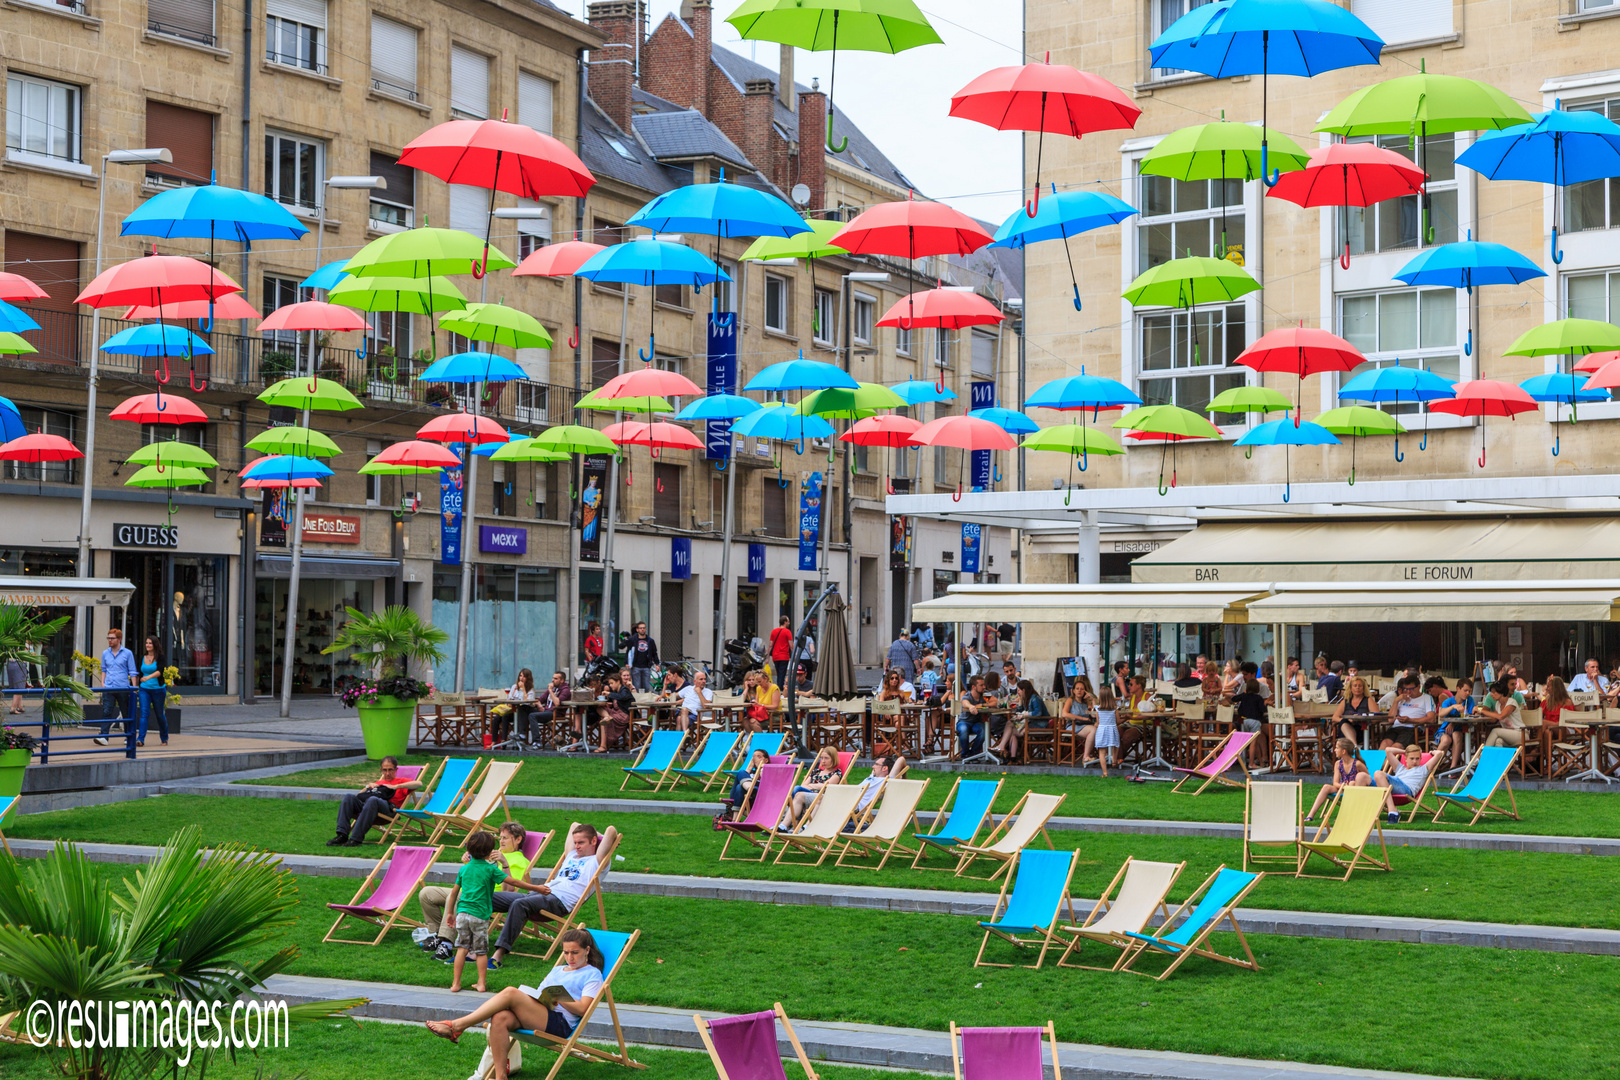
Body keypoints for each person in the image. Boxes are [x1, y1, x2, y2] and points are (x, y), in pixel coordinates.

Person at [426, 927, 607, 1074]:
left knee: (511, 993)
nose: (570, 957)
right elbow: (540, 991)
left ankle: (458, 1026)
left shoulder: (592, 974)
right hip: (543, 1012)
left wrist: (559, 999)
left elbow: (584, 1009)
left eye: (575, 952)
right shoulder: (558, 970)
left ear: (587, 950)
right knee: (501, 1017)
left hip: (560, 1023)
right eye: (566, 952)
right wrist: (542, 997)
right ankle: (500, 1076)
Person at [488, 822, 619, 970]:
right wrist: (591, 836)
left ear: (594, 841)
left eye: (581, 842)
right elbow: (574, 825)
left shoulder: (598, 861)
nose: (576, 846)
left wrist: (602, 838)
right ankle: (473, 945)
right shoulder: (571, 855)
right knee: (488, 896)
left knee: (519, 904)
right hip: (539, 894)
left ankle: (498, 954)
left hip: (558, 902)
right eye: (575, 842)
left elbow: (611, 830)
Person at [418, 821, 538, 960]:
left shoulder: (519, 861)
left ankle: (447, 943)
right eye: (500, 837)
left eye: (505, 837)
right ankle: (436, 935)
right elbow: (476, 872)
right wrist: (469, 862)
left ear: (518, 839)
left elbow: (510, 891)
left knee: (458, 895)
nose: (501, 840)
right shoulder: (491, 853)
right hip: (468, 890)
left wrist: (504, 864)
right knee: (427, 893)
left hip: (487, 896)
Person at [443, 830, 507, 993]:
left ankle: (456, 983)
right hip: (479, 916)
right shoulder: (491, 869)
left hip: (462, 914)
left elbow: (454, 893)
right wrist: (536, 888)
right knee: (481, 951)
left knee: (462, 949)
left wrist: (450, 913)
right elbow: (511, 882)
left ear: (469, 850)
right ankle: (481, 983)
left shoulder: (464, 869)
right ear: (489, 851)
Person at [329, 755, 424, 846]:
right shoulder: (379, 783)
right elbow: (358, 797)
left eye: (390, 770)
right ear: (381, 770)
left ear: (396, 769)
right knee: (348, 797)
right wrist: (367, 787)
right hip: (368, 810)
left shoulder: (401, 781)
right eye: (385, 770)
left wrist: (396, 786)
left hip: (389, 811)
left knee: (373, 799)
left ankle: (355, 839)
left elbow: (419, 783)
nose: (387, 773)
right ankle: (342, 835)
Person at [1306, 737, 1370, 822]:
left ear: (1343, 751)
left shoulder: (1357, 764)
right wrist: (1342, 786)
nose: (1334, 750)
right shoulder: (1338, 764)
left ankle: (1347, 815)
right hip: (1342, 788)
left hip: (1355, 790)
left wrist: (1352, 785)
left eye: (1336, 748)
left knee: (1352, 783)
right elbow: (1335, 783)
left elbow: (1368, 779)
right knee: (1326, 787)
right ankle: (1310, 815)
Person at [94, 628, 138, 745]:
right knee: (107, 711)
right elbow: (104, 669)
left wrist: (134, 688)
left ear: (119, 639)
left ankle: (128, 736)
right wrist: (102, 683)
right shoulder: (105, 653)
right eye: (108, 638)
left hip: (123, 687)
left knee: (126, 712)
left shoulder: (127, 653)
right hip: (109, 687)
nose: (110, 640)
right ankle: (104, 736)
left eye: (112, 638)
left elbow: (132, 671)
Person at [783, 746, 843, 828]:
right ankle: (786, 825)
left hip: (821, 797)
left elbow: (825, 786)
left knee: (796, 790)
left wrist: (810, 785)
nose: (823, 761)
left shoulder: (836, 773)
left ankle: (793, 822)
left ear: (833, 759)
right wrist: (814, 786)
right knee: (797, 790)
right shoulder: (816, 771)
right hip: (809, 796)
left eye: (826, 758)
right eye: (822, 758)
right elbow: (803, 785)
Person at [1372, 744, 1434, 823]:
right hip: (1392, 789)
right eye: (1411, 758)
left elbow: (1439, 754)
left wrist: (1432, 752)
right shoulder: (1400, 768)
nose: (1415, 761)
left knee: (1378, 773)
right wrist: (1406, 752)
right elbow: (1388, 750)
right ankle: (1360, 813)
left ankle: (1392, 810)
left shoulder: (1424, 769)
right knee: (1361, 776)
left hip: (1406, 790)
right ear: (1406, 759)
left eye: (1417, 758)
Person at [996, 678, 1046, 759]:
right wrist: (1019, 702)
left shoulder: (1034, 698)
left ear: (1024, 690)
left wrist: (1024, 715)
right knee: (1010, 725)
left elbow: (1038, 713)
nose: (1017, 692)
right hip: (1030, 723)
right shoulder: (1026, 698)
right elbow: (1019, 711)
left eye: (1019, 690)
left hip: (1039, 725)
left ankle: (1002, 747)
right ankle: (1012, 757)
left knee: (1010, 727)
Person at [847, 753, 901, 828]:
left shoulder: (885, 781)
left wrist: (902, 776)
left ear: (885, 768)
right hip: (847, 797)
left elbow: (901, 760)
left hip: (853, 804)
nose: (873, 766)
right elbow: (874, 771)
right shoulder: (872, 777)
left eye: (876, 764)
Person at [134, 636, 168, 747]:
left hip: (158, 690)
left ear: (155, 645)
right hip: (144, 689)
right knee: (144, 714)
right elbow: (138, 672)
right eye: (146, 643)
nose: (147, 645)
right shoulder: (142, 657)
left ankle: (164, 738)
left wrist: (148, 677)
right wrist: (135, 686)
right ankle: (140, 739)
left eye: (150, 643)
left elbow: (160, 671)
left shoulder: (160, 657)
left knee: (159, 715)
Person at [1435, 676, 1475, 770]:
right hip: (1444, 731)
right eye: (1465, 690)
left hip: (1461, 730)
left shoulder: (1469, 700)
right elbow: (1441, 714)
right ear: (1458, 689)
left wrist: (1453, 723)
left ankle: (1453, 768)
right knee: (1446, 740)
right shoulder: (1448, 702)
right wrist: (1453, 707)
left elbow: (1468, 716)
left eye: (1469, 691)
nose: (1468, 693)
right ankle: (1432, 767)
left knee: (1457, 735)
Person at [1384, 675, 1437, 747]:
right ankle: (1384, 758)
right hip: (1396, 727)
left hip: (1412, 728)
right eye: (1406, 689)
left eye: (1411, 689)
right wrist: (1396, 701)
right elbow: (1390, 720)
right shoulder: (1402, 698)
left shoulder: (1426, 698)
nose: (1408, 692)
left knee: (1396, 747)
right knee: (1384, 745)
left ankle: (1391, 758)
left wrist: (1410, 720)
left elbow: (1431, 719)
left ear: (1419, 687)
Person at [592, 669, 635, 753]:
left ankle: (603, 746)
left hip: (624, 715)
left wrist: (608, 694)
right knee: (599, 708)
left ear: (618, 681)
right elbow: (617, 702)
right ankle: (607, 716)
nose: (610, 686)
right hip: (615, 712)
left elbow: (622, 697)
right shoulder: (616, 691)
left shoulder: (624, 689)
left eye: (612, 683)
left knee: (603, 722)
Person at [1480, 676, 1526, 749]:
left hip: (1521, 733)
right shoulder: (1498, 704)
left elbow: (1501, 716)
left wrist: (1482, 710)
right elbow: (1494, 719)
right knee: (1498, 741)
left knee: (1495, 731)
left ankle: (1482, 756)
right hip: (1509, 734)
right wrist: (1480, 715)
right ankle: (1501, 760)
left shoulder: (1511, 702)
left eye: (1493, 692)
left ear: (1501, 693)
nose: (1491, 694)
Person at [492, 669, 536, 745]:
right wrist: (509, 703)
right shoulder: (514, 687)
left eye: (524, 676)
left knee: (516, 711)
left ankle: (520, 735)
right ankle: (497, 741)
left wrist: (523, 689)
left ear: (528, 678)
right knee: (497, 718)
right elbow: (509, 699)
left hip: (524, 712)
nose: (521, 678)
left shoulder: (530, 689)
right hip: (512, 710)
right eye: (520, 676)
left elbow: (528, 702)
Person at [1083, 685, 1120, 776]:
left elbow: (1098, 722)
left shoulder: (1098, 709)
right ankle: (1114, 760)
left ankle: (1105, 772)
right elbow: (1118, 721)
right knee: (1115, 746)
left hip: (1102, 730)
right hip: (1112, 729)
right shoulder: (1115, 709)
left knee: (1102, 752)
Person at [724, 748, 771, 818]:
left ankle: (735, 819)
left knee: (739, 787)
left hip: (756, 796)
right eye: (754, 757)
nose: (755, 759)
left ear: (766, 760)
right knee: (741, 772)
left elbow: (766, 782)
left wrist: (760, 767)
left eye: (758, 756)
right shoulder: (749, 773)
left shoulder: (769, 771)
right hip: (741, 797)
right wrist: (749, 768)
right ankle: (750, 789)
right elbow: (744, 774)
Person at [1333, 675, 1380, 746]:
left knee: (1345, 723)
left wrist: (1362, 719)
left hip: (1363, 729)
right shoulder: (1345, 701)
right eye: (1355, 686)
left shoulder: (1368, 700)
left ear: (1363, 688)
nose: (1357, 688)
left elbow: (1377, 717)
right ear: (1351, 688)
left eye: (1360, 686)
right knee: (1344, 722)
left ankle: (1354, 748)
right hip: (1345, 730)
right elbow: (1335, 717)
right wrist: (1349, 719)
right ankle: (1355, 746)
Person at [531, 671, 571, 748]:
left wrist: (550, 691)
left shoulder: (565, 690)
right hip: (547, 711)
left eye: (555, 678)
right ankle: (521, 736)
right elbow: (541, 699)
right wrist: (539, 705)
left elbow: (557, 703)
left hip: (556, 713)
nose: (552, 680)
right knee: (526, 710)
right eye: (553, 678)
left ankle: (537, 742)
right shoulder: (553, 688)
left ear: (562, 680)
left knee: (533, 716)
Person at [956, 674, 990, 757]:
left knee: (983, 731)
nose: (984, 687)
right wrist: (971, 706)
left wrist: (980, 705)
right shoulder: (968, 696)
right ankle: (965, 754)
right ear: (974, 687)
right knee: (963, 730)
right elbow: (964, 703)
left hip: (977, 722)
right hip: (964, 721)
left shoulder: (984, 696)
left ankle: (974, 754)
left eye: (984, 685)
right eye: (981, 685)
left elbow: (995, 702)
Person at [625, 623, 659, 692]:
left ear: (646, 629)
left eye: (644, 628)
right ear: (637, 630)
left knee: (646, 687)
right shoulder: (633, 640)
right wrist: (626, 662)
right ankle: (637, 702)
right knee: (636, 687)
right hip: (635, 666)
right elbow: (628, 652)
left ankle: (644, 702)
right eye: (640, 628)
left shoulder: (650, 641)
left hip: (646, 666)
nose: (642, 630)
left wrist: (657, 664)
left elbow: (654, 653)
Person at [768, 616, 794, 687]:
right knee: (782, 673)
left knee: (779, 673)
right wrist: (795, 655)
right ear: (785, 622)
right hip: (784, 656)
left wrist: (767, 658)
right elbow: (791, 645)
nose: (789, 623)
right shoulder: (788, 632)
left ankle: (779, 686)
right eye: (788, 621)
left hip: (775, 656)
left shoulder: (773, 631)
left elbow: (770, 645)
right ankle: (779, 689)